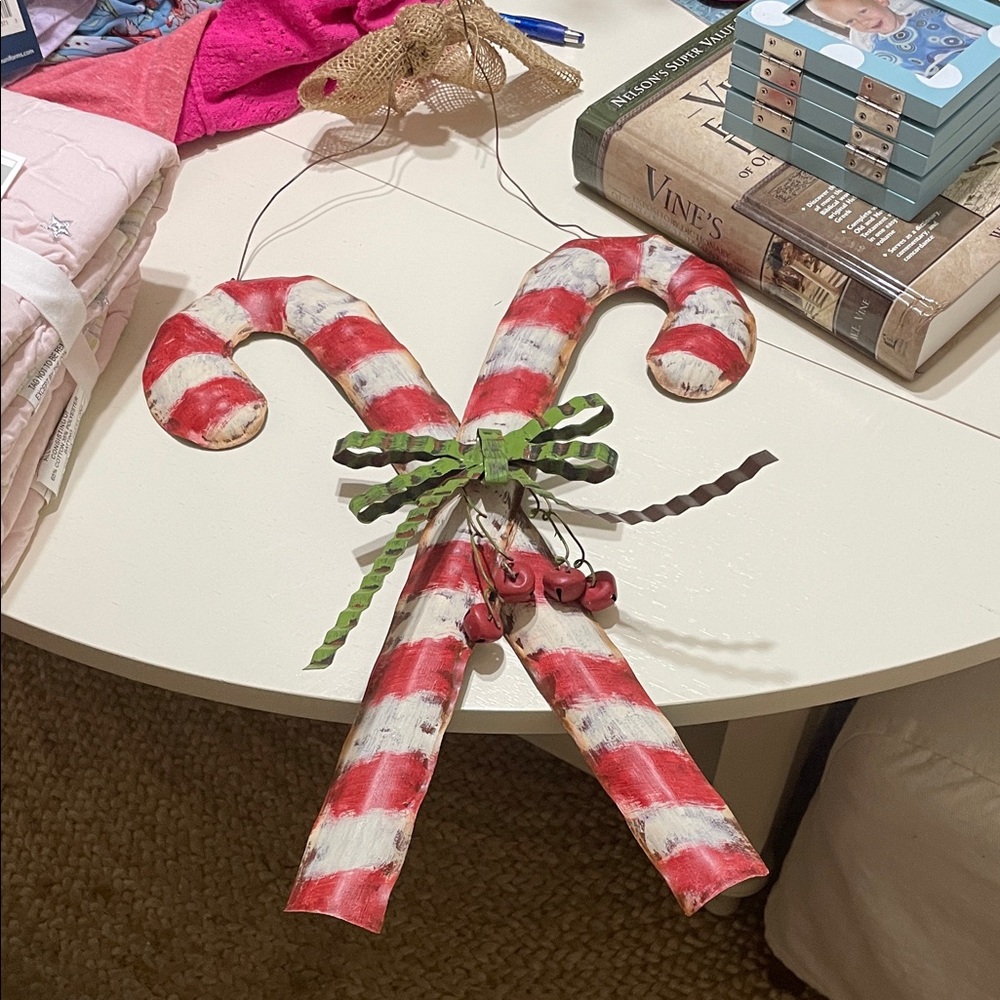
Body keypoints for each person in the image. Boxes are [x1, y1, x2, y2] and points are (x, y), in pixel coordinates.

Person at [804, 0, 985, 77]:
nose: (864, 22)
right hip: (931, 88)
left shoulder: (928, 14)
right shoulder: (864, 42)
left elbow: (979, 33)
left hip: (975, 66)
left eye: (863, 11)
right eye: (851, 21)